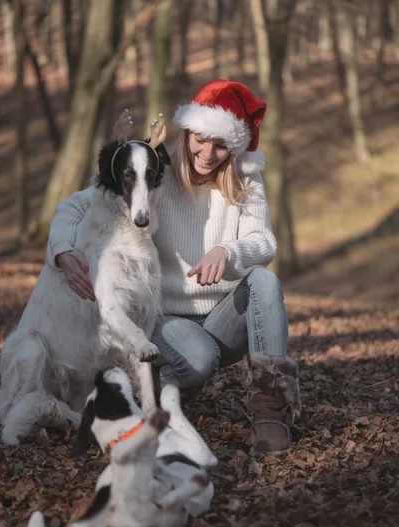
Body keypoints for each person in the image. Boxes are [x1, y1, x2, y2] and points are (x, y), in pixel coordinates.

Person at [46, 79, 300, 454]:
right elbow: (76, 205)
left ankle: (272, 415)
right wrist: (64, 251)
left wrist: (227, 252)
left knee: (263, 281)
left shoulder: (246, 179)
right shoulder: (158, 170)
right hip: (167, 318)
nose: (208, 154)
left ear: (234, 147)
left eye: (220, 145)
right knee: (199, 359)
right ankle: (155, 383)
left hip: (223, 318)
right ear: (187, 132)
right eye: (201, 139)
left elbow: (264, 244)